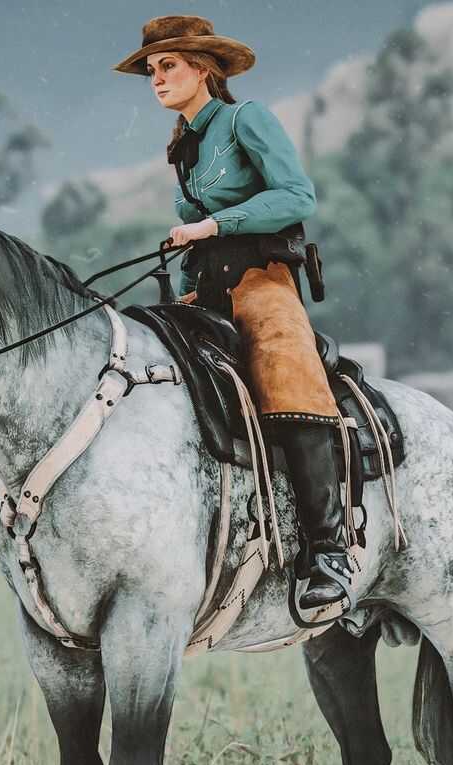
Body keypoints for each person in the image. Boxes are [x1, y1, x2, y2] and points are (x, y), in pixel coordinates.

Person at [113, 15, 354, 612]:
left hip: (262, 281)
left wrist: (217, 224)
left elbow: (298, 196)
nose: (157, 78)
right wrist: (184, 279)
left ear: (203, 69)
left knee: (285, 368)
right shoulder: (184, 146)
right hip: (208, 290)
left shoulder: (247, 119)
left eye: (168, 65)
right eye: (151, 69)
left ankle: (329, 550)